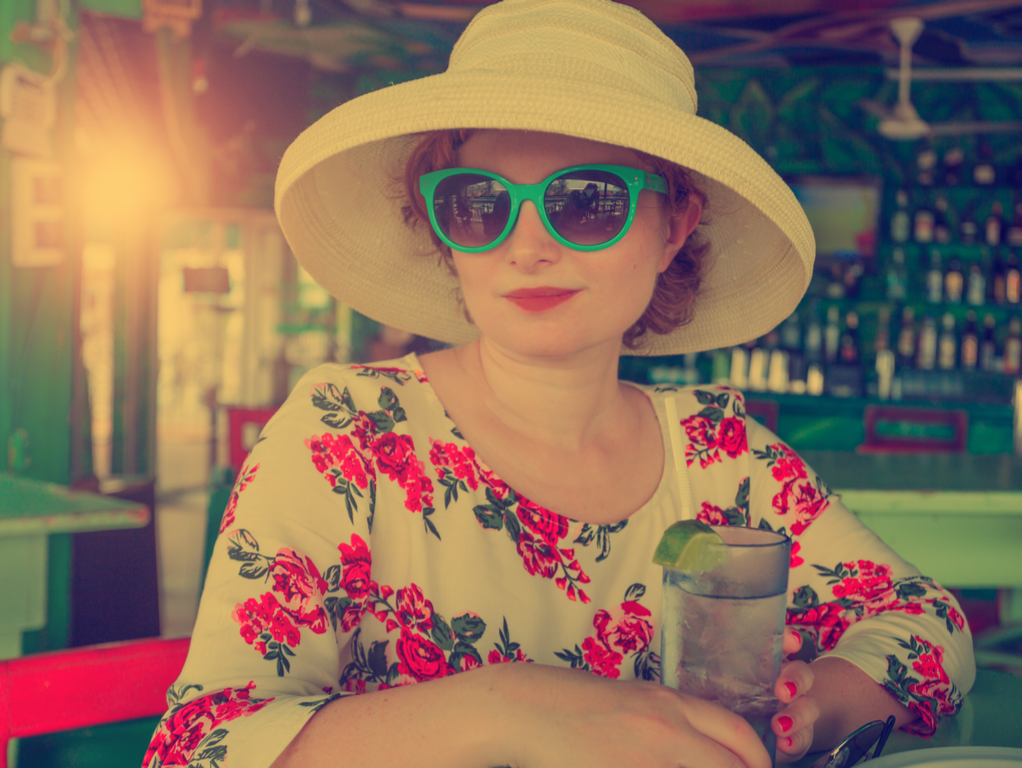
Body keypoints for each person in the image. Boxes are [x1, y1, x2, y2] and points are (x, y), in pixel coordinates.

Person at [144, 1, 974, 767]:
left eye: (585, 201)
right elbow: (198, 745)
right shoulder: (347, 436)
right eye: (479, 204)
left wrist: (805, 713)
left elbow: (927, 627)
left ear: (672, 226)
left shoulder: (724, 462)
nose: (528, 246)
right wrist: (522, 707)